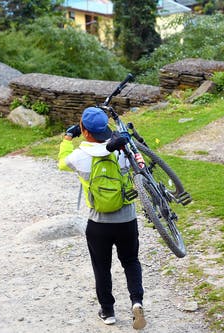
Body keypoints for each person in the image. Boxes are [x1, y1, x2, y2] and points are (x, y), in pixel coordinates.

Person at [58, 106, 146, 330]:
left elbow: (61, 162)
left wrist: (68, 137)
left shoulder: (80, 156)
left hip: (98, 223)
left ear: (85, 131)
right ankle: (136, 302)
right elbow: (140, 165)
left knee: (101, 267)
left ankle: (108, 312)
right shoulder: (122, 149)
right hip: (127, 219)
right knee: (131, 261)